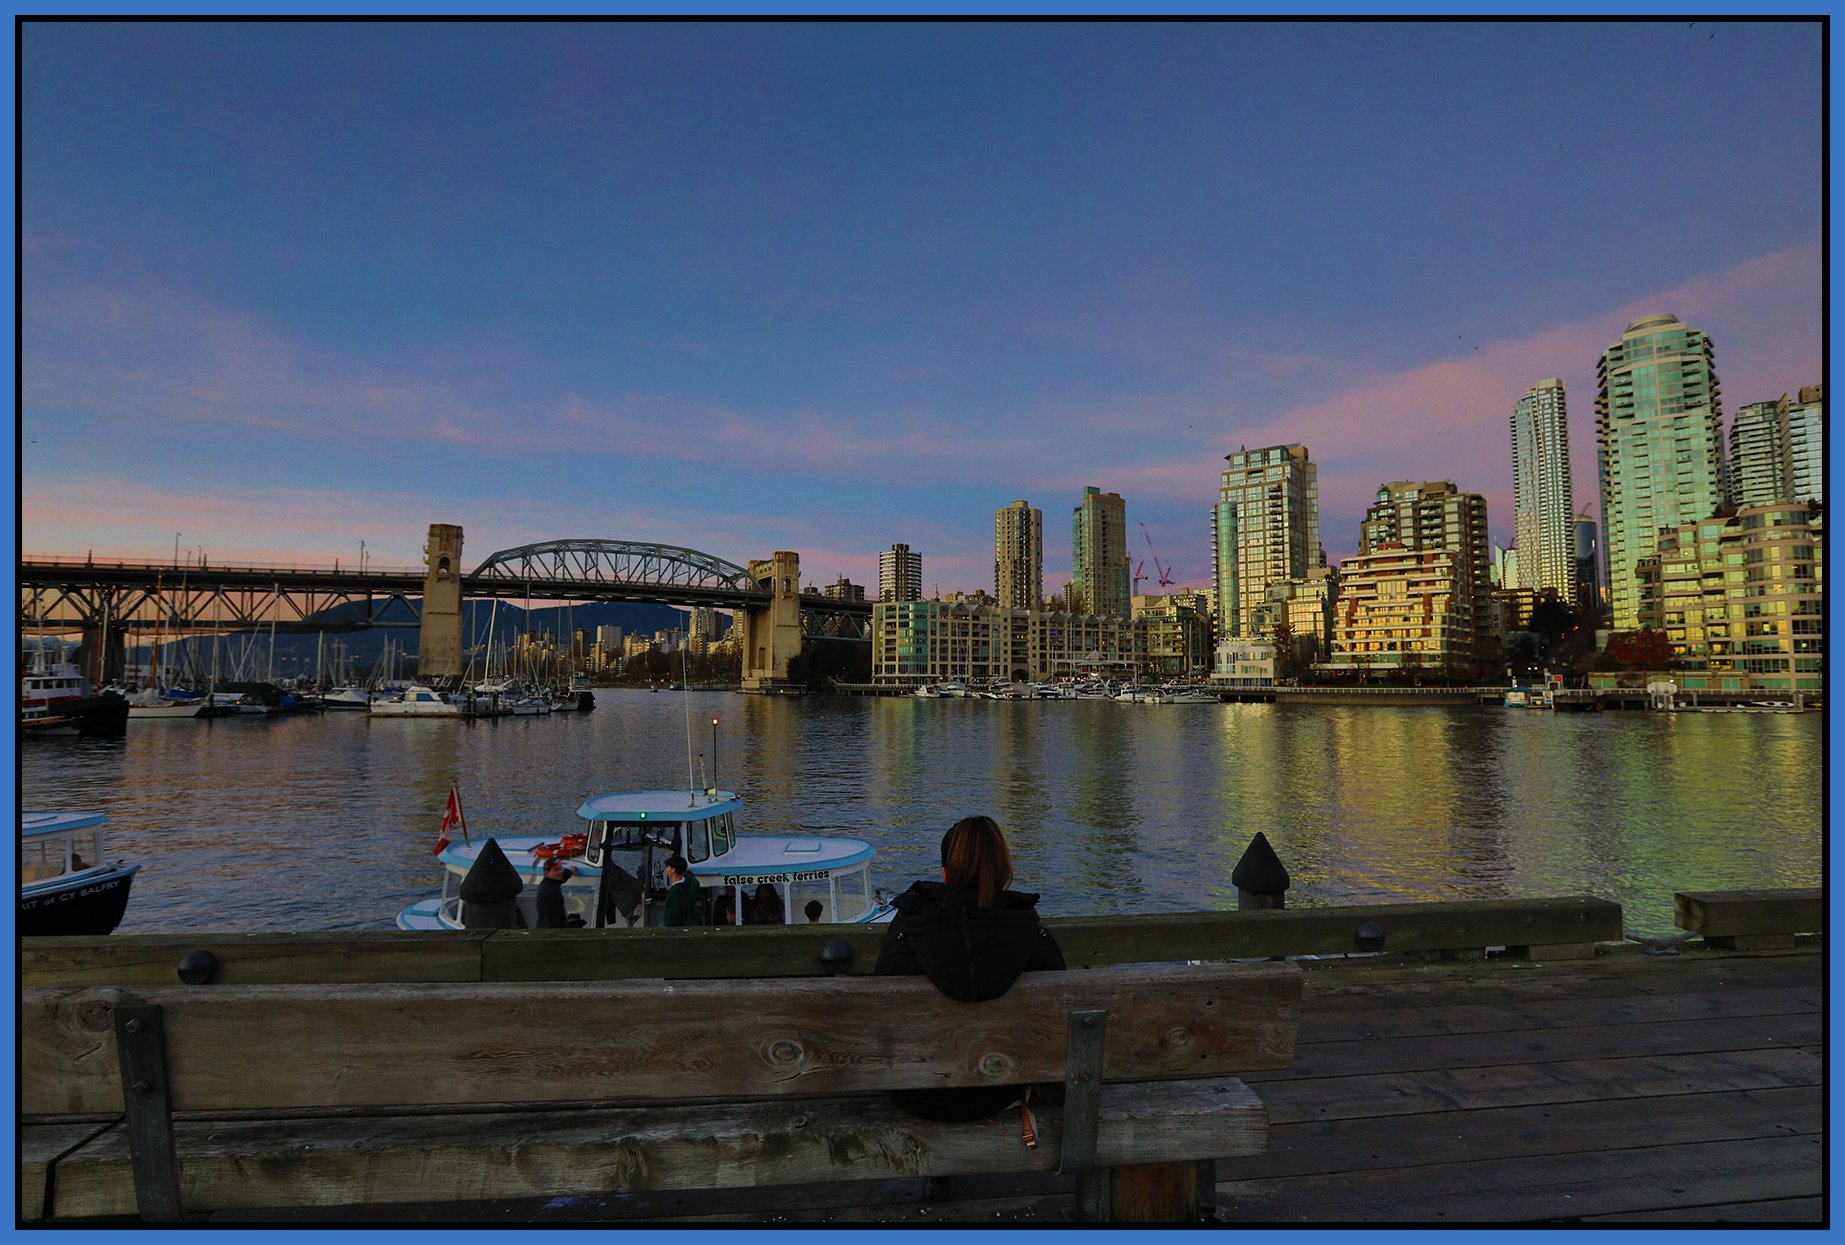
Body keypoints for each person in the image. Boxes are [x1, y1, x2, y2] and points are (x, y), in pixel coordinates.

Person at [874, 815, 1065, 1122]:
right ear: (1003, 870)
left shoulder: (909, 929)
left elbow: (880, 1009)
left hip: (913, 1093)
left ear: (945, 873)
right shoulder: (1032, 936)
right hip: (998, 1089)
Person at [662, 855, 701, 926]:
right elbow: (692, 878)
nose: (666, 870)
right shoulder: (691, 885)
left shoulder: (674, 893)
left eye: (668, 867)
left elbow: (672, 919)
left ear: (673, 870)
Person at [534, 857, 572, 929]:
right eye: (556, 869)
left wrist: (570, 871)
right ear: (546, 873)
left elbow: (563, 876)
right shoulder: (548, 894)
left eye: (561, 868)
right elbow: (550, 923)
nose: (560, 871)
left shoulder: (551, 881)